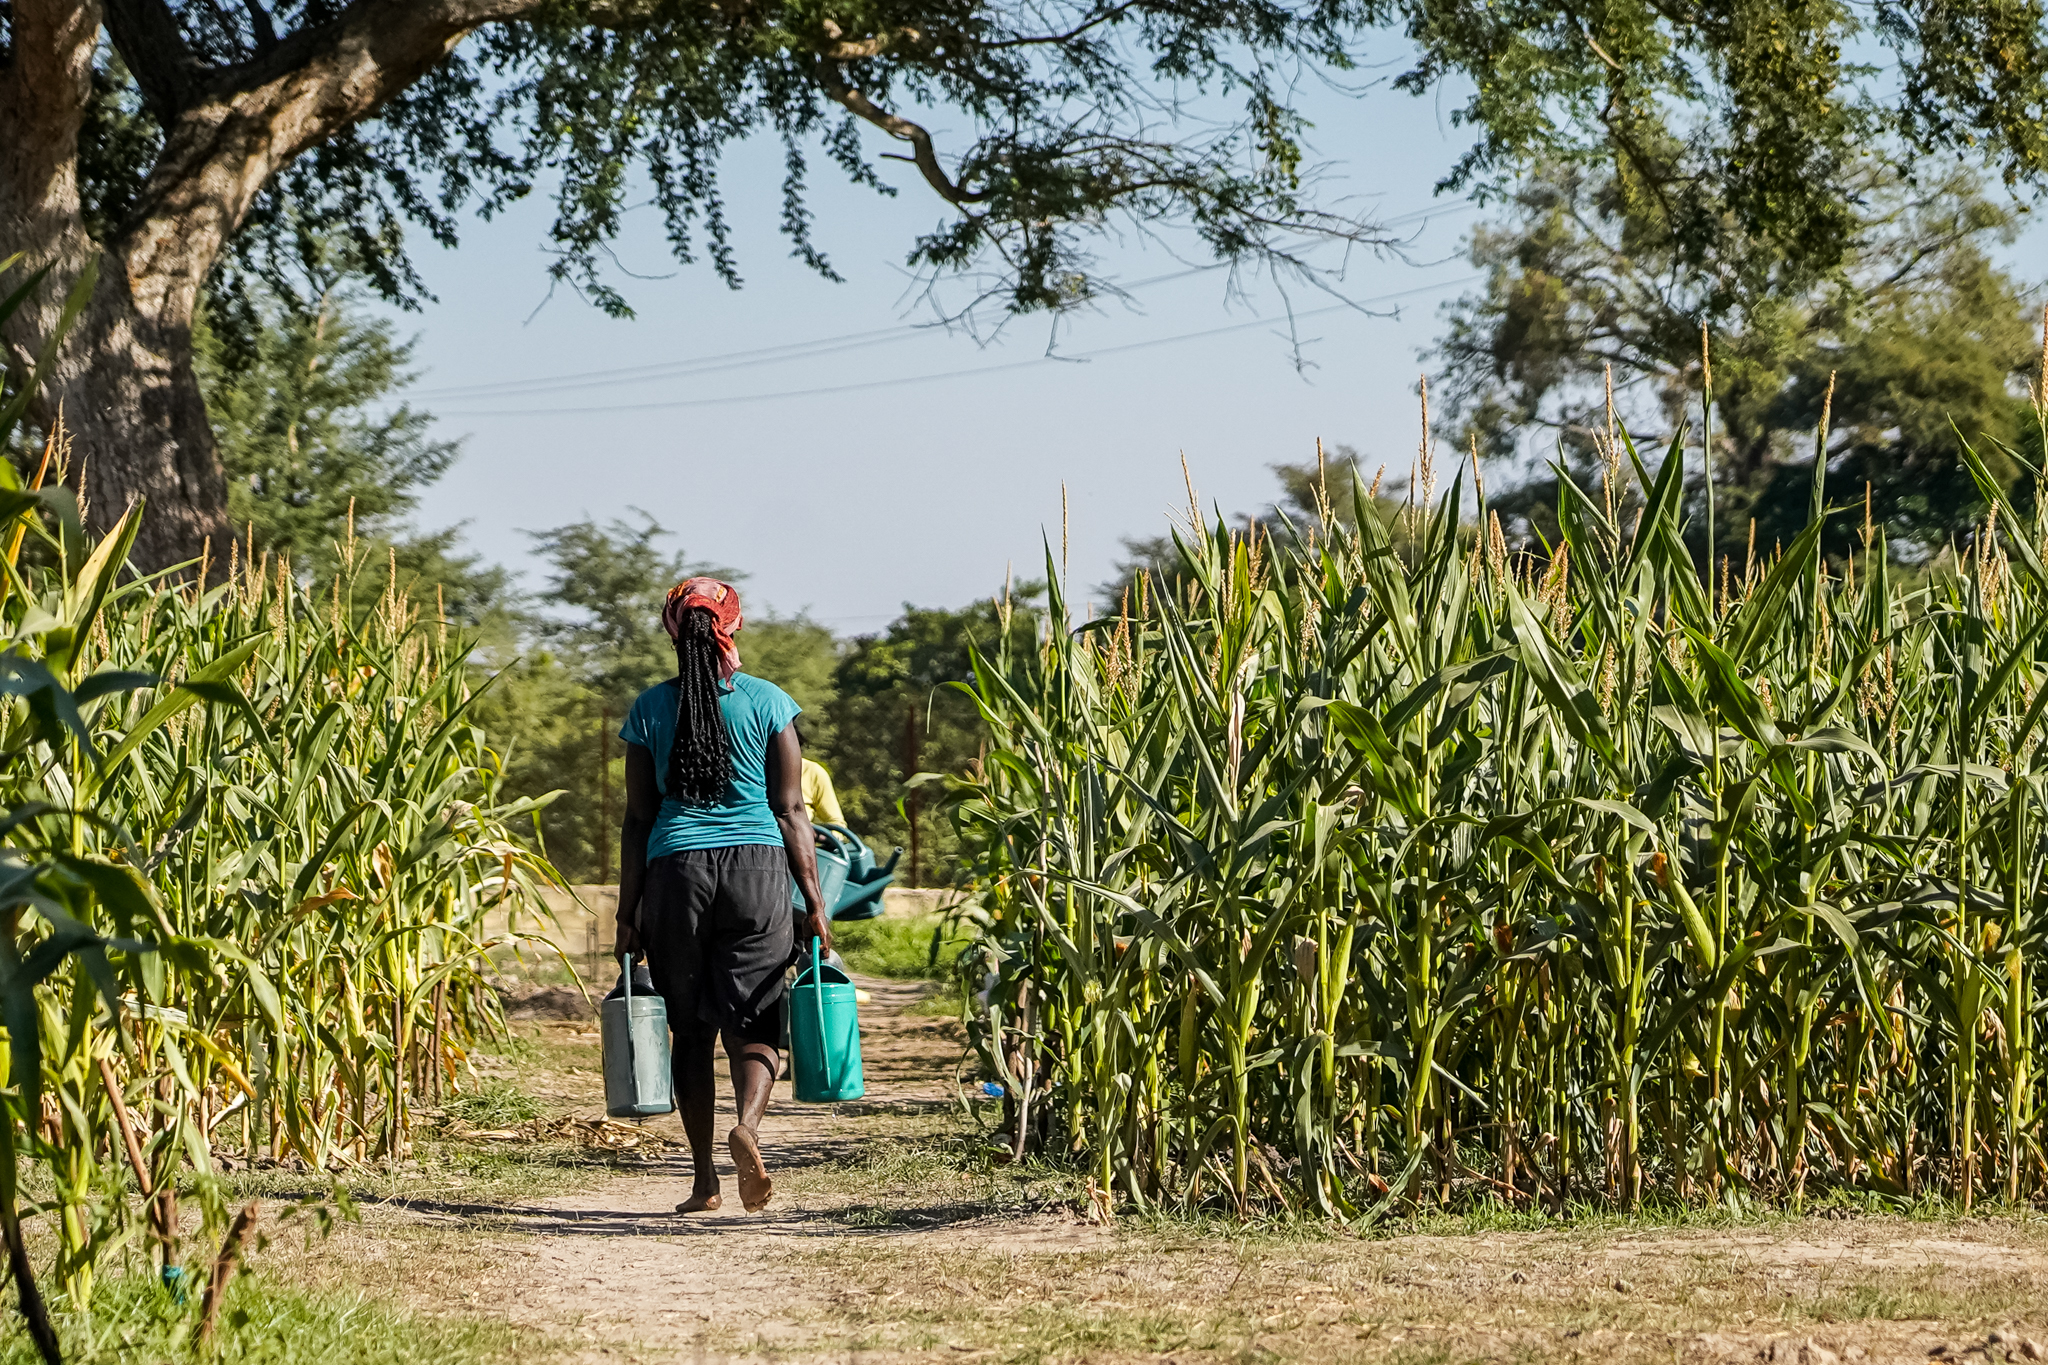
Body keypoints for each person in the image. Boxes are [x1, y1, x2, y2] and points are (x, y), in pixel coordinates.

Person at [614, 576, 830, 1215]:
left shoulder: (649, 709)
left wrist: (629, 916)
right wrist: (814, 904)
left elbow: (636, 821)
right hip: (758, 872)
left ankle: (705, 1178)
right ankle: (750, 1128)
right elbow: (791, 809)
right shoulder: (769, 703)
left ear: (675, 632)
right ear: (731, 628)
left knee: (689, 1029)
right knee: (756, 1017)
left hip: (674, 873)